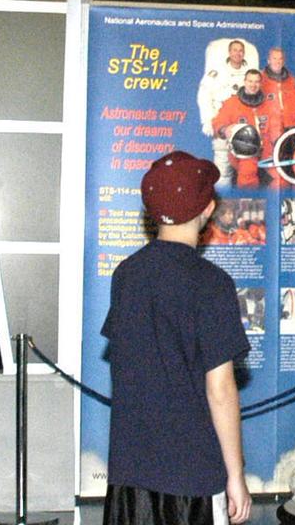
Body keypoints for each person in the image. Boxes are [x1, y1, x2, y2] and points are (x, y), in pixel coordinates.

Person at [101, 151, 251, 525]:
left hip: (130, 474)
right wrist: (236, 475)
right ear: (207, 209)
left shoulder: (126, 275)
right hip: (192, 477)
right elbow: (221, 390)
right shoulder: (212, 284)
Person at [197, 39, 257, 183]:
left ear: (244, 54)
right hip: (223, 125)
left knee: (247, 170)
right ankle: (222, 202)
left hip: (245, 128)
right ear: (229, 52)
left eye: (240, 51)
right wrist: (208, 121)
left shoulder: (250, 74)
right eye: (234, 50)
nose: (238, 53)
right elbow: (204, 96)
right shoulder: (216, 73)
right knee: (223, 171)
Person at [212, 69, 279, 188]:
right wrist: (225, 130)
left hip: (267, 154)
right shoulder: (232, 103)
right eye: (250, 81)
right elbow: (218, 123)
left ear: (261, 83)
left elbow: (276, 127)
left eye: (257, 82)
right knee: (247, 174)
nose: (253, 85)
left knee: (279, 179)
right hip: (243, 155)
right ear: (245, 82)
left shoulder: (268, 105)